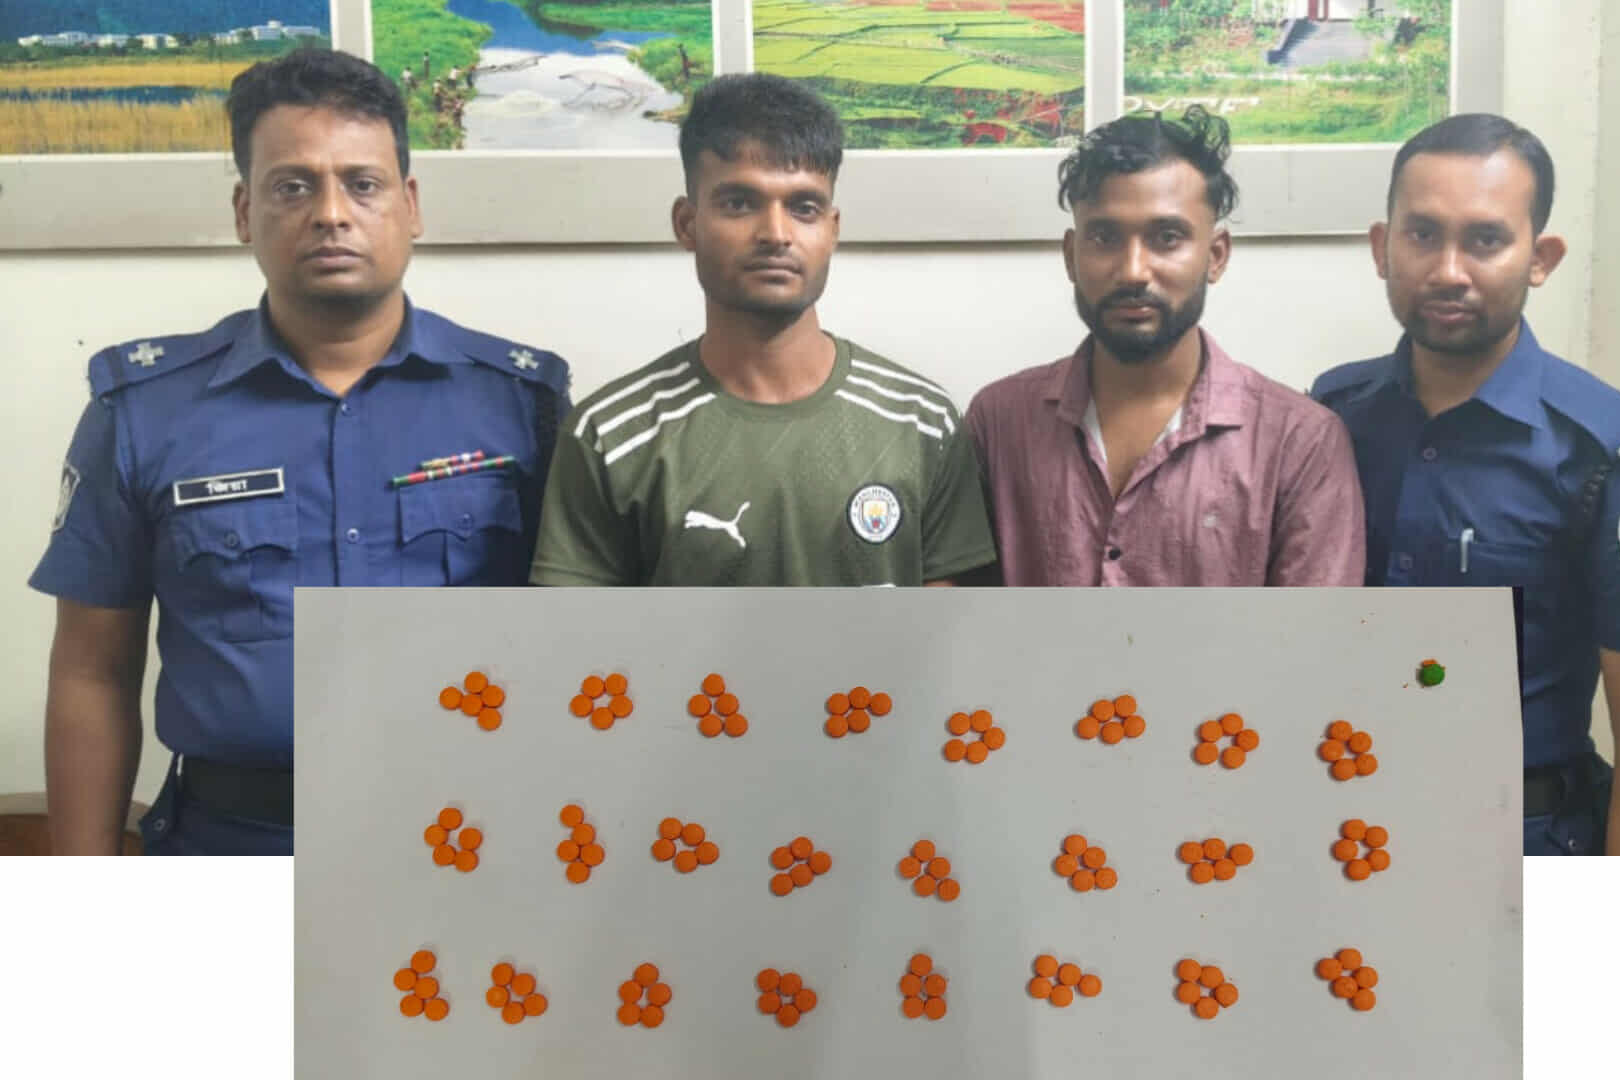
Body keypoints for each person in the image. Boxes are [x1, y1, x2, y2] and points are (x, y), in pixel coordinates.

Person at [27, 50, 571, 855]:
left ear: (410, 205)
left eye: (363, 183)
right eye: (293, 186)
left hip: (470, 841)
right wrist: (82, 896)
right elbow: (91, 672)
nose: (331, 213)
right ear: (245, 212)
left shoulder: (521, 406)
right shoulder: (144, 412)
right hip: (231, 844)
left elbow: (579, 646)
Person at [1310, 113, 1620, 855]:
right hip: (1341, 829)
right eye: (1422, 234)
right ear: (1382, 247)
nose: (1448, 270)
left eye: (1485, 239)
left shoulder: (1616, 453)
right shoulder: (1332, 417)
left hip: (1520, 841)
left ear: (1540, 258)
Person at [531, 74, 996, 587]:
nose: (776, 234)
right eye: (739, 203)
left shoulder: (922, 423)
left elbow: (950, 627)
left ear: (832, 229)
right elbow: (583, 631)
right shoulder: (610, 436)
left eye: (804, 208)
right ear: (687, 223)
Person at [965, 106, 1364, 586]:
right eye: (1105, 237)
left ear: (1215, 256)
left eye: (1167, 238)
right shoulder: (998, 423)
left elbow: (1314, 631)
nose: (1133, 270)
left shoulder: (1299, 443)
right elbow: (961, 617)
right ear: (1071, 256)